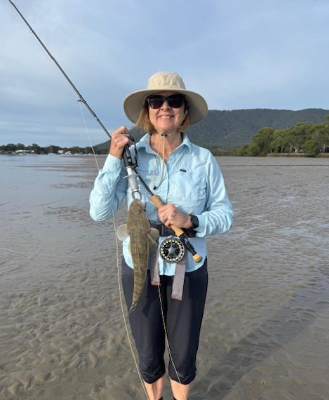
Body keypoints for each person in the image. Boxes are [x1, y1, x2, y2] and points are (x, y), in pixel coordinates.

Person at [89, 71, 234, 400]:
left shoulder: (203, 159)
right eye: (156, 100)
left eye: (174, 101)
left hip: (190, 269)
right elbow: (98, 212)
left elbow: (226, 215)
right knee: (149, 353)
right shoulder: (129, 157)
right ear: (147, 109)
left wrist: (190, 219)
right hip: (139, 265)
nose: (164, 107)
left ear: (184, 111)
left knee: (183, 355)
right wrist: (113, 157)